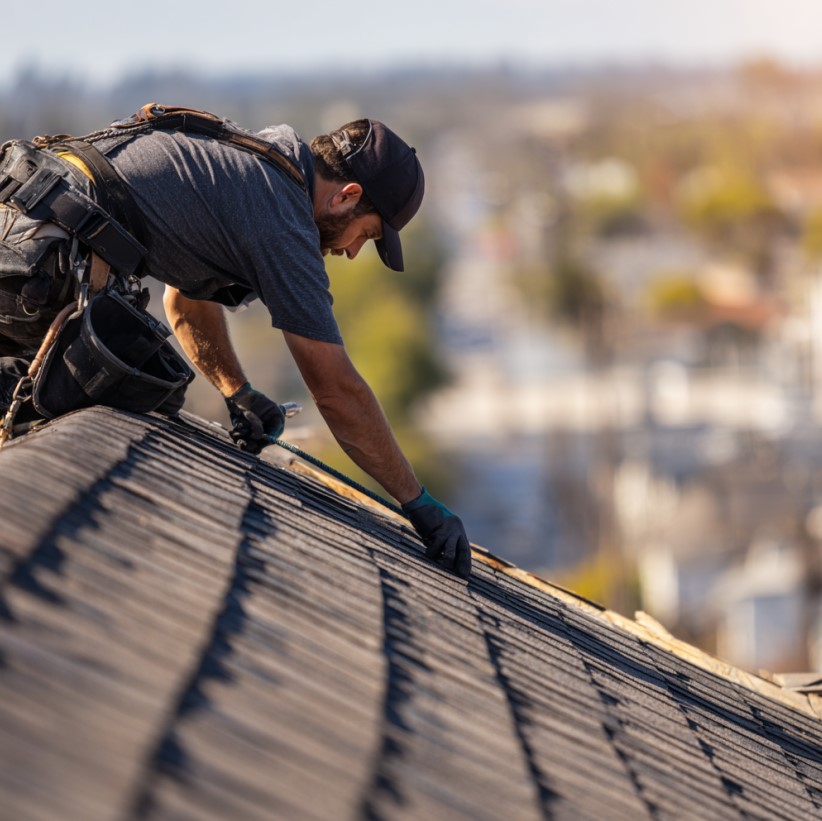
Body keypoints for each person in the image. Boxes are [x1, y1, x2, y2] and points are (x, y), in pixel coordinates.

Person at [0, 107, 472, 578]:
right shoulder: (283, 220)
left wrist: (237, 391)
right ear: (347, 196)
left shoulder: (261, 161)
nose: (350, 252)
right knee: (88, 397)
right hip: (38, 257)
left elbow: (187, 305)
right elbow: (336, 391)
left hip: (26, 217)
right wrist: (417, 502)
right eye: (365, 235)